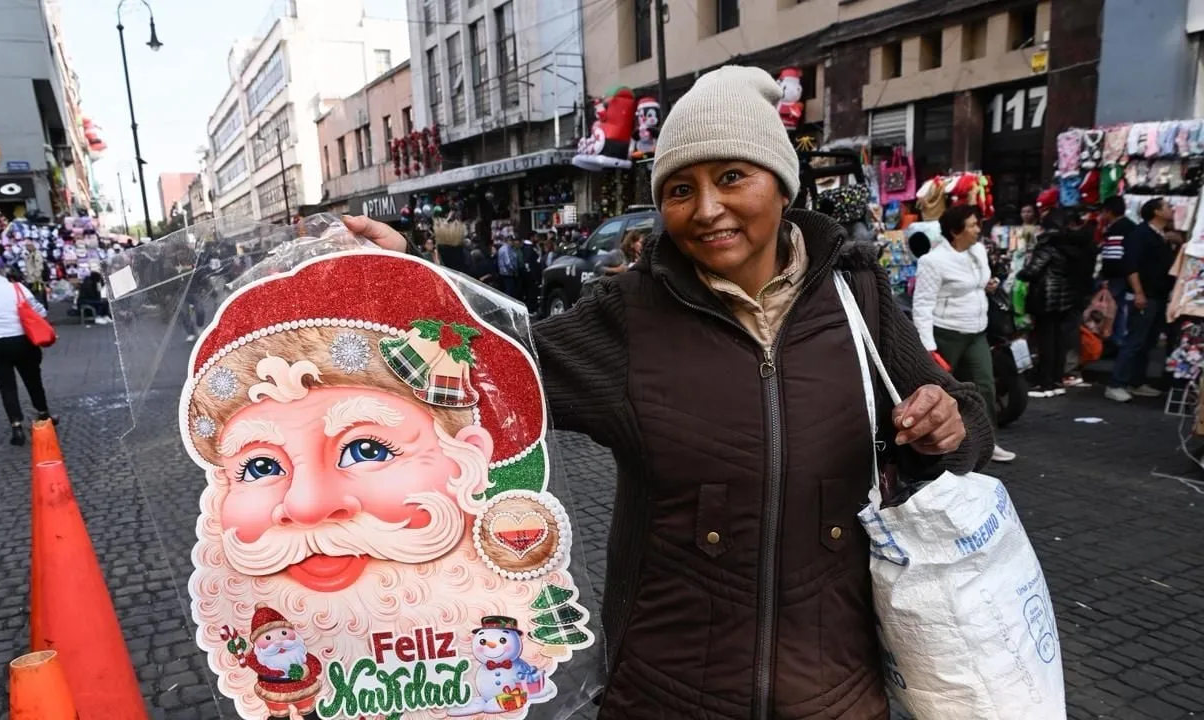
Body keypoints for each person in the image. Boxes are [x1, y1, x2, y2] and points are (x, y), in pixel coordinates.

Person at [342, 65, 994, 719]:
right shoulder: (631, 316)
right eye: (681, 189)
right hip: (666, 694)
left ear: (781, 182)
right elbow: (485, 369)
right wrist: (401, 283)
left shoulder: (859, 297)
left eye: (732, 176)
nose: (706, 209)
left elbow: (968, 422)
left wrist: (949, 426)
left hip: (835, 692)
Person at [911, 205, 1014, 463]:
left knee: (985, 387)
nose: (978, 229)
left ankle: (987, 441)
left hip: (976, 331)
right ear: (956, 231)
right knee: (943, 390)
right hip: (946, 333)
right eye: (972, 225)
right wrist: (928, 346)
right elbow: (922, 303)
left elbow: (979, 282)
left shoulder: (978, 251)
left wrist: (988, 284)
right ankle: (938, 444)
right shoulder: (933, 261)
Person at [0, 255, 55, 446]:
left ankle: (16, 427)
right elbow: (40, 312)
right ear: (3, 269)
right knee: (32, 379)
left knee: (6, 385)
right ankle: (43, 414)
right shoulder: (17, 287)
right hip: (21, 340)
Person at [1017, 208, 1098, 397]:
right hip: (1067, 298)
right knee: (1060, 341)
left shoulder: (1048, 244)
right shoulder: (1076, 244)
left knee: (1046, 341)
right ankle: (1056, 380)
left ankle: (1044, 383)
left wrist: (1022, 272)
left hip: (1046, 298)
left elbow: (1032, 271)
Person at [1106, 198, 1175, 403]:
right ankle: (1116, 383)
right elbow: (1131, 266)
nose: (1171, 210)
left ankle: (1136, 381)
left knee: (1147, 340)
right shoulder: (1140, 234)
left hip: (1158, 294)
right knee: (1135, 339)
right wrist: (1138, 292)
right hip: (1145, 295)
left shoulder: (1161, 236)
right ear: (1156, 212)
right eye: (1167, 207)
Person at [1099, 197, 1137, 347]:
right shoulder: (1129, 226)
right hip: (1124, 275)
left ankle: (1116, 340)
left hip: (1117, 276)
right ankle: (1118, 339)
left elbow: (1113, 256)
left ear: (1109, 212)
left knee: (1115, 308)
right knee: (1119, 307)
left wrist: (1106, 275)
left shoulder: (1117, 228)